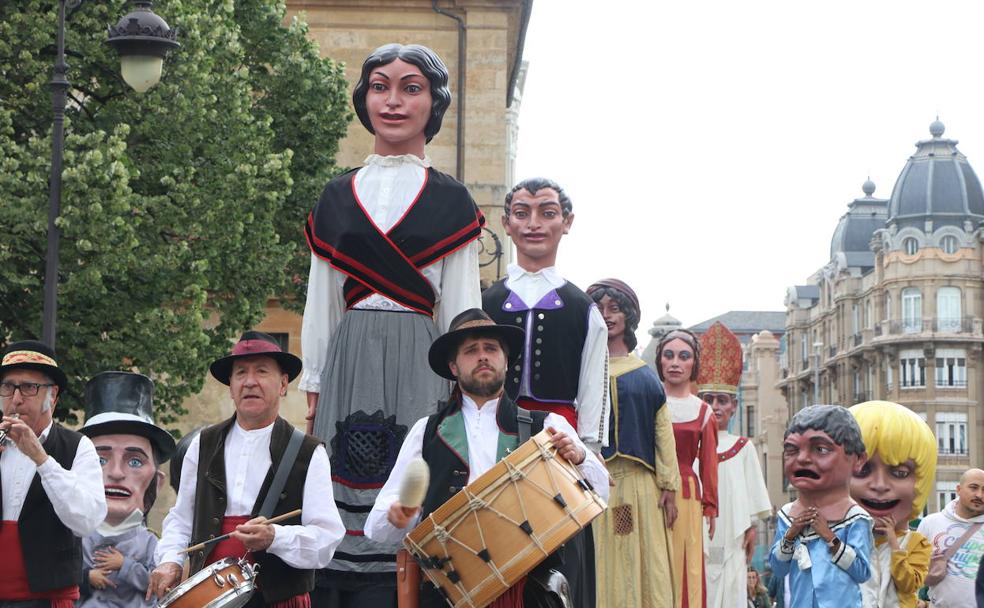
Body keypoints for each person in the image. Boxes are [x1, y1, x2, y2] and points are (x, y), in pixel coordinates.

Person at [301, 43, 484, 606]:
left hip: (422, 352)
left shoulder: (452, 199)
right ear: (363, 98)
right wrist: (313, 383)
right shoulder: (337, 194)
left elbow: (460, 301)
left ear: (435, 103)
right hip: (350, 350)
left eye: (411, 88)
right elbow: (322, 299)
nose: (394, 101)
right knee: (343, 476)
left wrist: (462, 384)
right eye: (380, 86)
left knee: (416, 476)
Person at [365, 308, 609, 608]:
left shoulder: (545, 426)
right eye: (471, 351)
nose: (482, 356)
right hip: (450, 595)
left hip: (527, 592)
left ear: (506, 362)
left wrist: (580, 456)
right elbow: (377, 527)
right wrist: (399, 514)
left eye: (491, 349)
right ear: (454, 366)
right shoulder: (426, 432)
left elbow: (601, 494)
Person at [482, 177, 609, 608]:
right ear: (506, 223)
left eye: (547, 212)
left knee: (559, 569)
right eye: (522, 213)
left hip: (559, 452)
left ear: (566, 222)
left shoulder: (583, 309)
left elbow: (592, 396)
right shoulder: (486, 303)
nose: (534, 223)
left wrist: (587, 457)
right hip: (494, 443)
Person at [149, 331, 345, 607]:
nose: (250, 382)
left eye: (262, 371)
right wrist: (170, 560)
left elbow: (326, 537)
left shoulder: (309, 452)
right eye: (240, 373)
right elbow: (182, 520)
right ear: (230, 385)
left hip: (278, 598)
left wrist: (275, 537)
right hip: (210, 598)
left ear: (283, 383)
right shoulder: (202, 445)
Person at [587, 278, 679, 608]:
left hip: (641, 488)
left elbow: (662, 431)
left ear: (628, 316)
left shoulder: (645, 375)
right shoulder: (583, 372)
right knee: (599, 564)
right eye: (599, 309)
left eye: (615, 309)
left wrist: (669, 485)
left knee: (644, 565)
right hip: (593, 487)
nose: (607, 315)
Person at [0, 341, 107, 608]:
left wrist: (41, 459)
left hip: (46, 599)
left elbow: (87, 520)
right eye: (7, 387)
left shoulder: (78, 446)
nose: (15, 399)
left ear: (53, 395)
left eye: (28, 387)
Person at [77, 371, 177, 608]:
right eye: (100, 460)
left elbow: (161, 584)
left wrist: (126, 566)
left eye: (134, 461)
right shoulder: (73, 540)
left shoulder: (153, 545)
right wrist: (85, 577)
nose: (116, 473)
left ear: (157, 482)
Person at [769, 404, 873, 608]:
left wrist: (830, 538)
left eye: (821, 450)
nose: (802, 459)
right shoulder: (788, 515)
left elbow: (862, 572)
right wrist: (791, 534)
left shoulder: (854, 518)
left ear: (858, 459)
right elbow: (778, 569)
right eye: (792, 450)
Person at [697, 322, 771, 608]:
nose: (715, 406)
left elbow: (752, 499)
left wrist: (751, 527)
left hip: (733, 538)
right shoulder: (691, 446)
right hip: (698, 536)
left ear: (734, 406)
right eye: (709, 399)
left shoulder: (743, 446)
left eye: (722, 400)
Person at [849, 401, 935, 608]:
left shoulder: (917, 543)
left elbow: (908, 585)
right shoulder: (835, 537)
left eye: (900, 473)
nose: (879, 485)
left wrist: (894, 544)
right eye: (862, 470)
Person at [655, 328, 718, 608]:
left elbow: (709, 464)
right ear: (660, 361)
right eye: (668, 356)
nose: (675, 363)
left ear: (694, 364)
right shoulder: (649, 400)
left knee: (687, 563)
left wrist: (710, 507)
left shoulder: (703, 411)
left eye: (684, 356)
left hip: (687, 494)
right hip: (651, 488)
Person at [916, 468, 984, 608]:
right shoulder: (930, 523)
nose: (979, 495)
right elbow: (910, 570)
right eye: (973, 487)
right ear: (958, 489)